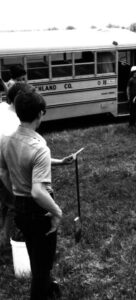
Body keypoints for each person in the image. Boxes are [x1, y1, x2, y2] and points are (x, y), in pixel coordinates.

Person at [0, 91, 74, 299]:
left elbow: (4, 171)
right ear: (41, 113)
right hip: (38, 210)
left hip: (21, 209)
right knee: (42, 269)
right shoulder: (39, 146)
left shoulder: (7, 139)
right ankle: (43, 290)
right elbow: (38, 191)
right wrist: (57, 212)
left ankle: (50, 287)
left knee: (36, 254)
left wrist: (60, 161)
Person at [0, 83, 35, 249]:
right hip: (4, 170)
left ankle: (3, 238)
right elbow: (9, 164)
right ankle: (9, 244)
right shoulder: (15, 124)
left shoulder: (2, 107)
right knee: (15, 205)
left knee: (4, 205)